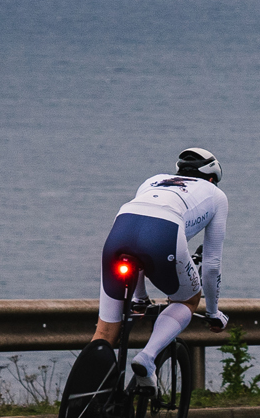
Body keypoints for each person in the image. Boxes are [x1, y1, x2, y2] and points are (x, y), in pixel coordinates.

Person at [96, 147, 229, 392]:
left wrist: (140, 298)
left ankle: (85, 402)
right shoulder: (216, 195)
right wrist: (212, 312)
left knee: (104, 331)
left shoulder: (153, 180)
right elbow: (211, 265)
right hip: (165, 233)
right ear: (212, 179)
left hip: (121, 227)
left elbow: (136, 249)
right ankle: (147, 358)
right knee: (187, 300)